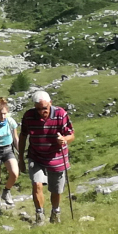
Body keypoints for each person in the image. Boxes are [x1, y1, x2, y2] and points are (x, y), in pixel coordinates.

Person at [20, 89, 73, 224]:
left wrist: (65, 139)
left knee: (56, 189)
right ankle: (40, 217)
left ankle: (55, 213)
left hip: (57, 157)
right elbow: (23, 135)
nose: (40, 112)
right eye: (37, 109)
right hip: (36, 156)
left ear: (50, 103)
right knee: (37, 184)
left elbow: (71, 134)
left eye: (44, 108)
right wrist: (20, 158)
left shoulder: (61, 114)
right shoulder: (29, 116)